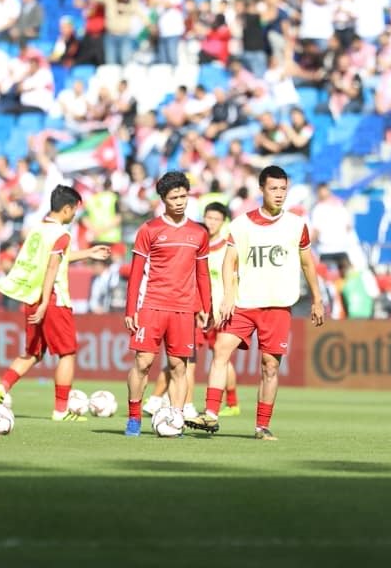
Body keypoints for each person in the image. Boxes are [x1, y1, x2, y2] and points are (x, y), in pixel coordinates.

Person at [189, 165, 325, 441]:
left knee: (269, 366)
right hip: (244, 302)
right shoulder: (241, 224)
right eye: (273, 188)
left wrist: (317, 300)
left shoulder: (297, 225)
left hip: (278, 306)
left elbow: (308, 264)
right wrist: (228, 296)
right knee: (220, 350)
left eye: (283, 189)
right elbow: (229, 262)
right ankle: (211, 413)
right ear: (261, 189)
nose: (279, 194)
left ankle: (262, 426)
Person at [0, 185, 111, 420]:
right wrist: (45, 303)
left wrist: (88, 253)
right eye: (74, 210)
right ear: (66, 209)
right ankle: (61, 410)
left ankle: (0, 389)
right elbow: (52, 267)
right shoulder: (62, 234)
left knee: (33, 353)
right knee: (67, 353)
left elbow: (54, 260)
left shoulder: (38, 230)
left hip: (33, 297)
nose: (75, 215)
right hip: (52, 299)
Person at [123, 171, 212, 437]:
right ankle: (134, 417)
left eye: (184, 196)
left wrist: (205, 306)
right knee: (143, 362)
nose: (180, 201)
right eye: (174, 197)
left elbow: (203, 273)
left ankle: (175, 419)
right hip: (152, 305)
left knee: (179, 367)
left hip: (183, 309)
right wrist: (131, 310)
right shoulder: (149, 230)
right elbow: (136, 273)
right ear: (163, 199)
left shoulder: (198, 232)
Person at [141, 202, 241, 420]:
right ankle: (170, 402)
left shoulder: (227, 248)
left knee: (220, 356)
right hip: (194, 309)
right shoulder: (194, 242)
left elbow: (233, 277)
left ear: (223, 222)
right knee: (184, 359)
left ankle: (230, 402)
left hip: (219, 310)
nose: (211, 222)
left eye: (216, 219)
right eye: (209, 217)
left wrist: (227, 302)